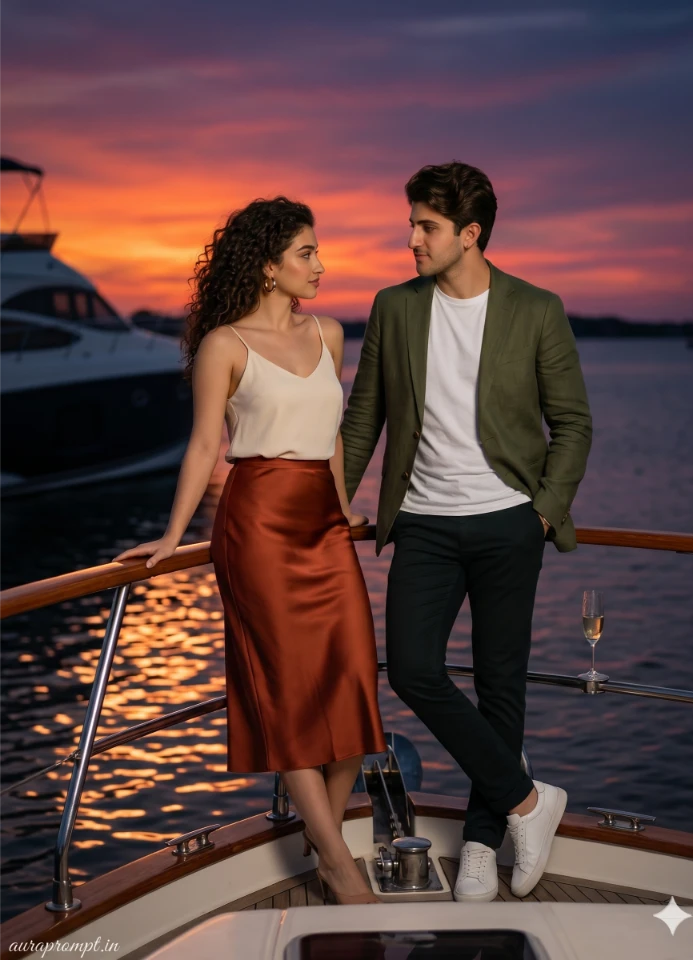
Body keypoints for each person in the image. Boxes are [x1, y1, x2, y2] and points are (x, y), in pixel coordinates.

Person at [114, 197, 386, 905]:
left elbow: (329, 433)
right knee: (289, 693)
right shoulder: (224, 346)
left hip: (323, 526)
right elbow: (207, 445)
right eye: (305, 253)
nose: (320, 265)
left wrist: (345, 507)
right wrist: (174, 537)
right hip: (257, 525)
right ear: (268, 267)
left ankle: (319, 841)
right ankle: (337, 863)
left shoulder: (328, 333)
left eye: (318, 251)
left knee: (355, 678)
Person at [341, 162, 592, 902]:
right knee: (414, 669)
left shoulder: (535, 309)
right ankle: (527, 801)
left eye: (426, 227)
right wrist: (328, 500)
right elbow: (363, 419)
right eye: (412, 223)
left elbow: (572, 424)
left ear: (469, 234)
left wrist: (543, 510)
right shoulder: (394, 307)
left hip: (508, 521)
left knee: (499, 683)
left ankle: (482, 842)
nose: (411, 239)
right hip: (422, 522)